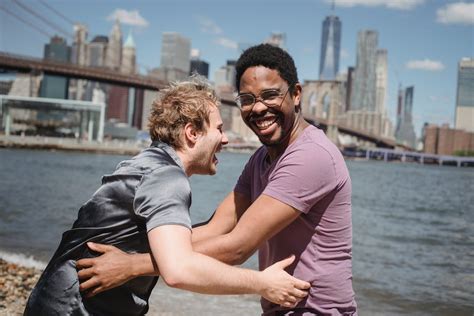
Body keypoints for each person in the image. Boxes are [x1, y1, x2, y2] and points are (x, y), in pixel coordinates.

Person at [78, 44, 357, 315]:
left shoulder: (310, 156)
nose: (258, 108)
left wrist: (133, 265)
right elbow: (216, 228)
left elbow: (237, 247)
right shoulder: (261, 159)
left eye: (270, 95)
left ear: (296, 94)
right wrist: (139, 247)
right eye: (247, 100)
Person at [24, 76, 310, 316]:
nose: (225, 139)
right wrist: (262, 283)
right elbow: (179, 269)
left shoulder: (147, 163)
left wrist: (132, 265)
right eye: (219, 129)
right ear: (192, 133)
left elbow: (199, 236)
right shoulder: (167, 178)